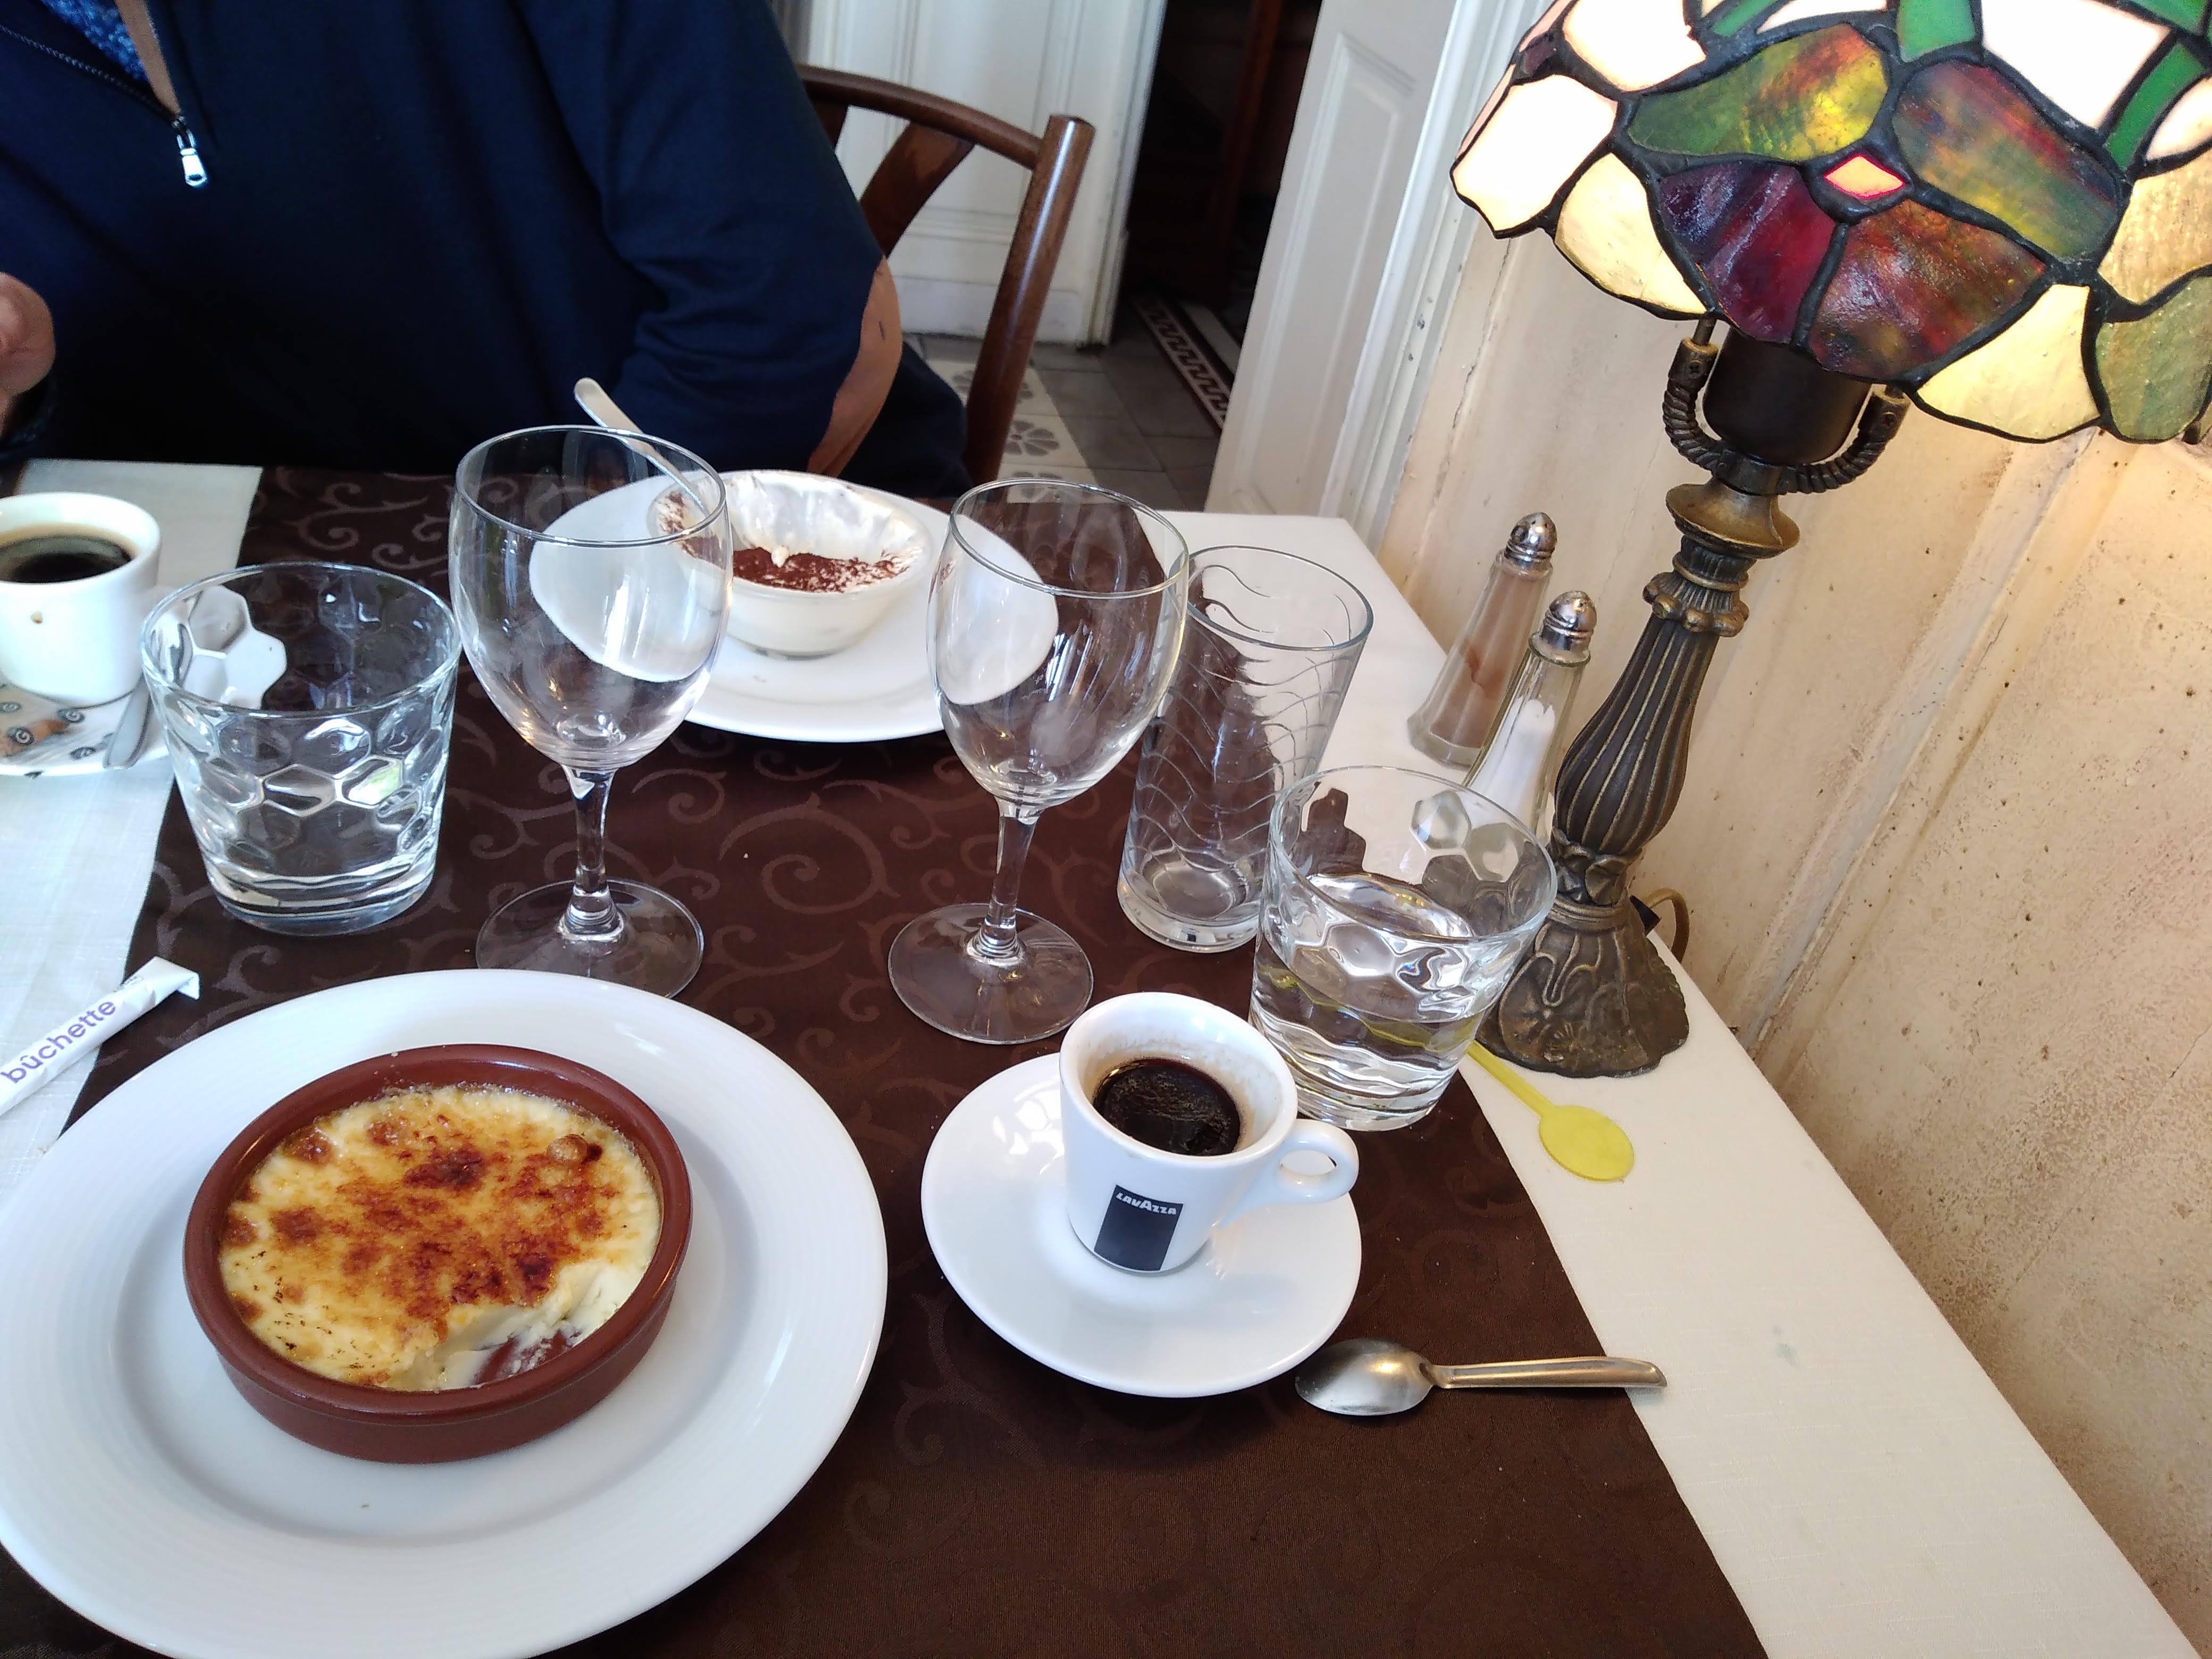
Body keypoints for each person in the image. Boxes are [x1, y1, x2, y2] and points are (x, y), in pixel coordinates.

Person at [0, 0, 968, 497]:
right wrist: (19, 399)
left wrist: (534, 584)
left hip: (721, 556)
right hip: (248, 628)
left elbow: (781, 304)